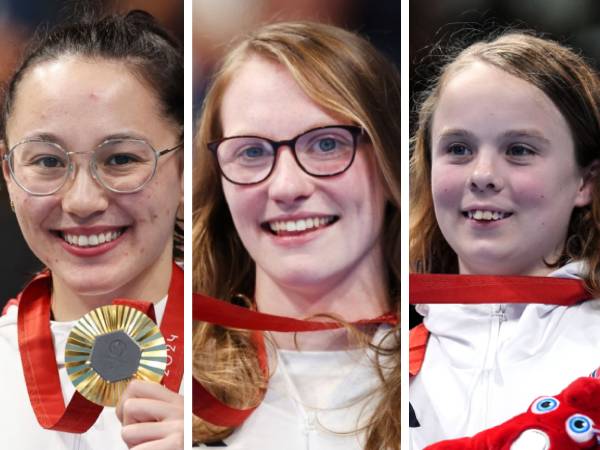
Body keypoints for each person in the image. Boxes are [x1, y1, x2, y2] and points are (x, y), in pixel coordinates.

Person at [192, 21, 401, 450]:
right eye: (251, 152)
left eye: (326, 144)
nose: (287, 187)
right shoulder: (166, 380)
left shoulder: (451, 372)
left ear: (387, 159)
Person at [0, 10, 184, 450]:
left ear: (184, 168)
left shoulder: (254, 365)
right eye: (47, 161)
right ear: (8, 172)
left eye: (121, 159)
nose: (82, 201)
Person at [409, 31, 600, 448]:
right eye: (458, 148)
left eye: (519, 150)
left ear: (585, 181)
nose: (482, 175)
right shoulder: (381, 359)